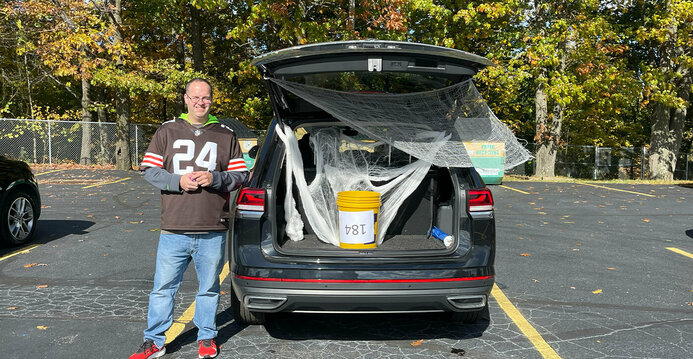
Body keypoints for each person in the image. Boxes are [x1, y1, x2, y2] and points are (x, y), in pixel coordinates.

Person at [129, 78, 248, 359]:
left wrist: (215, 178)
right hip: (174, 227)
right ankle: (154, 341)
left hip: (213, 227)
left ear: (211, 99)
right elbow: (149, 170)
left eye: (205, 97)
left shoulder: (225, 133)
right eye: (194, 97)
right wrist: (177, 180)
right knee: (162, 289)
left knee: (208, 289)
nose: (200, 102)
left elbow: (241, 175)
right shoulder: (167, 131)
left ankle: (207, 337)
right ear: (185, 99)